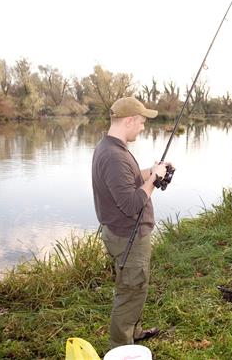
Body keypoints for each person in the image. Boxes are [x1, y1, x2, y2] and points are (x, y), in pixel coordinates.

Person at [92, 96, 170, 349]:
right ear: (129, 120)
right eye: (141, 122)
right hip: (128, 236)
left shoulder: (112, 148)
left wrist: (152, 171)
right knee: (130, 291)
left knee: (135, 287)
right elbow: (131, 204)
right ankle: (121, 348)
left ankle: (133, 332)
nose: (143, 127)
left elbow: (130, 181)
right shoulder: (115, 157)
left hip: (124, 233)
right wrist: (153, 181)